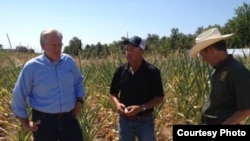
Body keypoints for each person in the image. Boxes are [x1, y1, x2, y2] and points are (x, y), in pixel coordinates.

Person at [12, 29, 85, 141]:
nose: (58, 48)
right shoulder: (32, 67)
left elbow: (78, 81)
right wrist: (25, 122)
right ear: (42, 45)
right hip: (44, 122)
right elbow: (19, 94)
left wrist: (79, 100)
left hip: (69, 119)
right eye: (53, 45)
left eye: (60, 44)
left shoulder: (68, 62)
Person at [189, 27, 250, 125]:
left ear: (211, 51)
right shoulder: (219, 70)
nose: (203, 60)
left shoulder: (237, 71)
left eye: (203, 55)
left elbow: (246, 108)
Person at [109, 36, 165, 141]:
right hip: (124, 121)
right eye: (127, 49)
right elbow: (113, 93)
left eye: (132, 50)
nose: (128, 53)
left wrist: (141, 108)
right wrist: (117, 104)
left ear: (142, 51)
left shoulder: (152, 72)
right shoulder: (120, 71)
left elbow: (159, 97)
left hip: (145, 122)